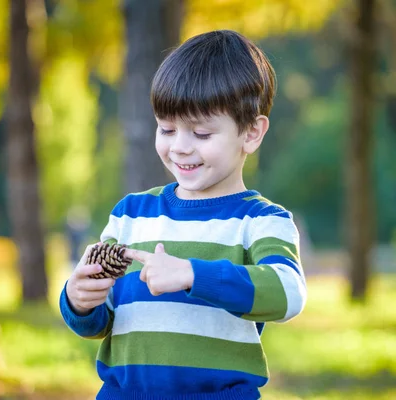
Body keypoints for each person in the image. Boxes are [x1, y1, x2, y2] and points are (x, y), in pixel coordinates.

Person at [59, 29, 307, 400]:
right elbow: (102, 320)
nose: (180, 147)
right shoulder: (131, 214)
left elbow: (288, 294)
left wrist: (192, 273)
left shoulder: (260, 221)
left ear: (251, 133)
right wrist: (79, 299)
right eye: (167, 128)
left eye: (202, 133)